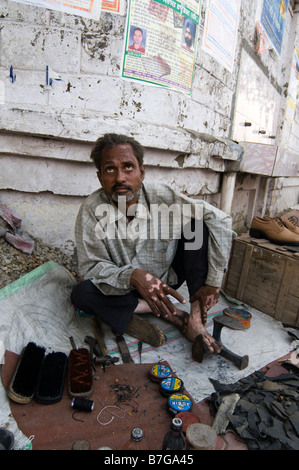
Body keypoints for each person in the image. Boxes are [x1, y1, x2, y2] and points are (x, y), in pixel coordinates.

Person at [71, 133, 232, 362]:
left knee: (197, 226)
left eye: (128, 167)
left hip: (166, 282)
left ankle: (195, 320)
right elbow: (91, 267)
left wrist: (213, 281)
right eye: (110, 170)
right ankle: (169, 312)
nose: (120, 178)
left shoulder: (162, 196)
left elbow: (220, 220)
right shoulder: (91, 210)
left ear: (142, 172)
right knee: (81, 293)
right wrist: (132, 275)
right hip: (122, 288)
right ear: (100, 177)